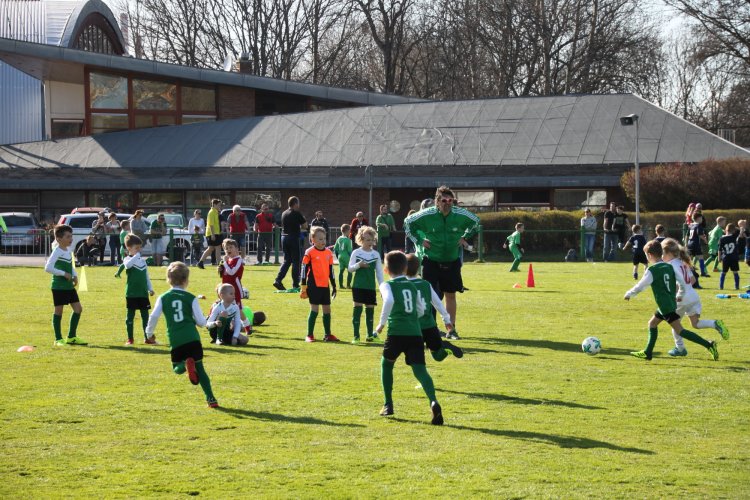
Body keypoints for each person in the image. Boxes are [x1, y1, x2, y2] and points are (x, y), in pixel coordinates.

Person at [376, 251, 444, 425]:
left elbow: (389, 301)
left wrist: (381, 323)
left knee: (386, 364)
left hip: (396, 332)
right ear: (405, 268)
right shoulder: (413, 286)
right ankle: (433, 400)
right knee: (420, 370)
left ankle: (388, 404)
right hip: (415, 333)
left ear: (385, 269)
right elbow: (422, 309)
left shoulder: (386, 285)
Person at [404, 185, 479, 340]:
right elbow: (407, 223)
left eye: (450, 200)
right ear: (437, 201)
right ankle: (430, 329)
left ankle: (451, 330)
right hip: (431, 261)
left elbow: (476, 222)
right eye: (444, 200)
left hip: (451, 261)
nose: (447, 203)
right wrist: (419, 240)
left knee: (450, 295)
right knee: (428, 296)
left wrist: (465, 237)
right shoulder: (426, 215)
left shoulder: (459, 214)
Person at [624, 240, 719, 361]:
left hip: (665, 306)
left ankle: (709, 345)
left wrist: (629, 294)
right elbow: (683, 282)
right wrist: (679, 294)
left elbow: (641, 286)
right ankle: (647, 352)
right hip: (671, 302)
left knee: (680, 331)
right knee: (652, 323)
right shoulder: (669, 266)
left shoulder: (652, 270)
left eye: (646, 255)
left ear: (650, 255)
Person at [145, 262, 218, 408]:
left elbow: (153, 316)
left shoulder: (163, 297)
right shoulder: (191, 298)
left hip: (176, 339)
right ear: (186, 281)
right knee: (201, 369)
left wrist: (149, 333)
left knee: (176, 368)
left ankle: (184, 365)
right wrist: (207, 322)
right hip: (192, 337)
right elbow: (201, 322)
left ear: (168, 280)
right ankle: (211, 399)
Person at [661, 238, 729, 357]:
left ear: (669, 253)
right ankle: (715, 324)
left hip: (682, 298)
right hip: (693, 296)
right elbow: (692, 280)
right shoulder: (683, 263)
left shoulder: (670, 265)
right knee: (695, 323)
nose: (661, 256)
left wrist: (676, 293)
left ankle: (680, 348)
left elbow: (677, 284)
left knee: (675, 324)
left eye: (662, 253)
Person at [405, 254, 463, 361]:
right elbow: (438, 304)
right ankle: (444, 346)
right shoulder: (426, 284)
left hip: (413, 326)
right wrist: (447, 321)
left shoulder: (401, 285)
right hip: (429, 325)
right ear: (418, 268)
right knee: (437, 356)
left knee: (412, 355)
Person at [45, 224, 86, 346]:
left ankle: (71, 337)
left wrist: (75, 275)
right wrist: (63, 274)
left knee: (78, 309)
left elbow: (70, 264)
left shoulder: (68, 250)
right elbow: (48, 268)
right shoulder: (56, 252)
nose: (71, 239)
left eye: (71, 236)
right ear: (59, 239)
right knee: (59, 311)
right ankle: (58, 339)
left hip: (69, 286)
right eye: (68, 236)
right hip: (58, 286)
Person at [114, 234, 156, 345]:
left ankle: (147, 338)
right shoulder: (127, 259)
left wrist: (150, 288)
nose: (139, 250)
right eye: (136, 248)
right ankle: (130, 339)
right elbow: (127, 266)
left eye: (139, 248)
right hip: (131, 294)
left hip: (143, 294)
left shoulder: (142, 261)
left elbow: (146, 277)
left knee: (145, 317)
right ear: (129, 248)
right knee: (130, 318)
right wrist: (136, 256)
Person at [300, 226, 338, 342]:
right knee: (314, 309)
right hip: (313, 285)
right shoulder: (309, 252)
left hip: (325, 286)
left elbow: (331, 270)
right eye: (320, 239)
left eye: (324, 239)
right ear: (313, 239)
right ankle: (309, 335)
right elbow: (304, 269)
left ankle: (328, 334)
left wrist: (334, 286)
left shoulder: (328, 252)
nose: (323, 241)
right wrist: (303, 286)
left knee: (327, 310)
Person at [348, 226, 384, 343]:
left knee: (370, 311)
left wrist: (382, 288)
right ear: (361, 239)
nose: (370, 242)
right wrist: (359, 265)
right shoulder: (356, 252)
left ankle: (370, 335)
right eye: (368, 240)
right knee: (357, 311)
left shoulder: (376, 254)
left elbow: (379, 273)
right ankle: (356, 336)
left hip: (370, 287)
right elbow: (350, 269)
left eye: (372, 240)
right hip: (358, 286)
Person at [273, 196, 307, 291]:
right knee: (296, 262)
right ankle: (295, 284)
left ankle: (278, 280)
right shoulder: (296, 213)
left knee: (287, 261)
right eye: (298, 203)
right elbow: (305, 225)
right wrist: (303, 220)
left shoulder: (284, 213)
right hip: (293, 238)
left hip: (284, 237)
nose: (299, 205)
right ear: (295, 204)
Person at [219, 238, 252, 335]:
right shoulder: (228, 260)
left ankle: (247, 325)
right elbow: (225, 273)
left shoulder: (238, 260)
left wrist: (225, 263)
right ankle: (228, 326)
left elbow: (232, 272)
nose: (228, 250)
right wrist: (221, 269)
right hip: (225, 288)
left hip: (234, 289)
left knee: (238, 308)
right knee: (225, 307)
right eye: (226, 248)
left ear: (237, 249)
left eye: (230, 247)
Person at [197, 199, 223, 269]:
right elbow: (211, 224)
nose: (220, 206)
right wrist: (213, 234)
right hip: (212, 233)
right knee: (217, 248)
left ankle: (201, 262)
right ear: (214, 205)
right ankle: (220, 264)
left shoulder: (216, 212)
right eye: (219, 205)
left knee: (211, 248)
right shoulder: (211, 212)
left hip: (215, 232)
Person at [718, 223, 741, 290]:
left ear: (726, 230)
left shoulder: (722, 238)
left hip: (726, 258)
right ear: (733, 230)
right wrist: (735, 228)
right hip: (734, 258)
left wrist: (719, 257)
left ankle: (721, 286)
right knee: (735, 272)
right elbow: (739, 230)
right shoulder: (734, 236)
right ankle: (737, 287)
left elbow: (719, 249)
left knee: (723, 272)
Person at [333, 224, 353, 288]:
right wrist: (352, 258)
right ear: (347, 231)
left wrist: (337, 256)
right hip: (346, 257)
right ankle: (348, 285)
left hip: (340, 256)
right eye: (349, 230)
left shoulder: (339, 238)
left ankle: (341, 285)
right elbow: (349, 251)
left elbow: (335, 249)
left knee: (341, 271)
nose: (350, 231)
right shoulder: (348, 240)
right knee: (350, 271)